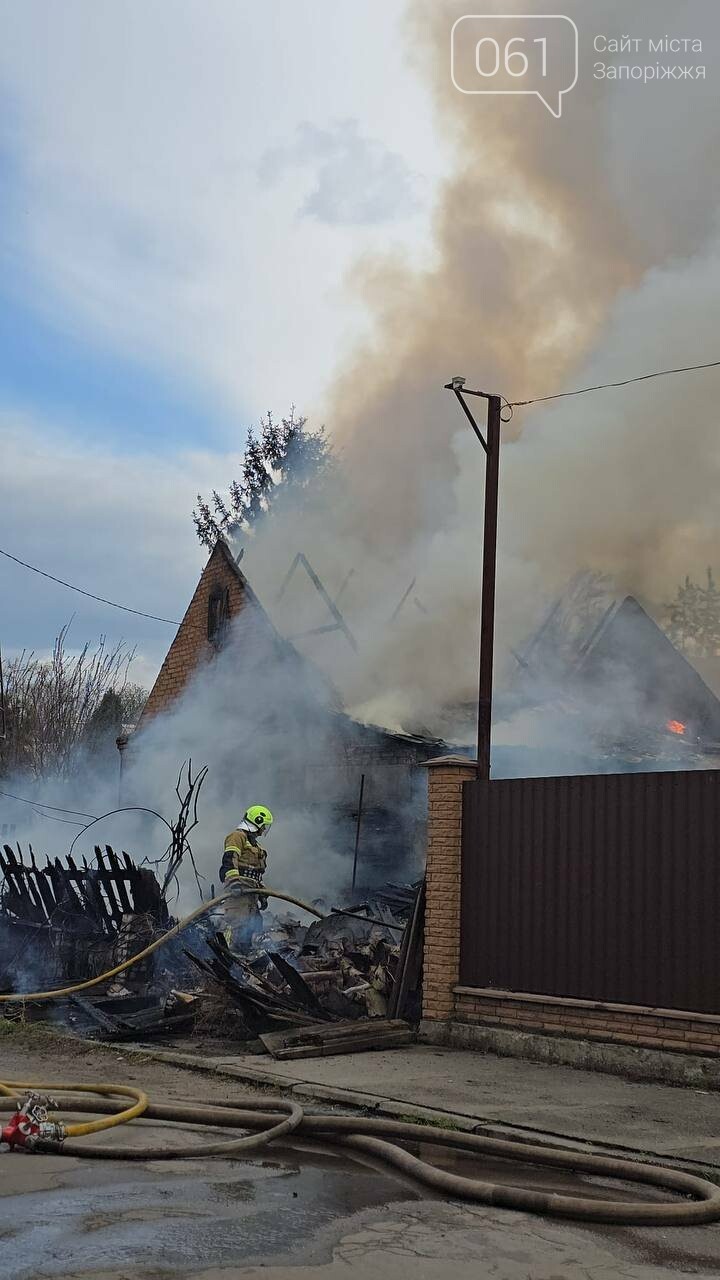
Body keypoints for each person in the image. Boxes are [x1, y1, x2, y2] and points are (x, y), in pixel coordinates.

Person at [217, 806, 273, 950]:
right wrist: (234, 883)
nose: (264, 829)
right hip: (239, 890)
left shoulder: (256, 845)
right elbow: (230, 860)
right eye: (263, 825)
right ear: (257, 821)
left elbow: (256, 873)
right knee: (237, 923)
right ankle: (229, 952)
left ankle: (246, 955)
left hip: (251, 893)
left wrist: (262, 894)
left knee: (254, 925)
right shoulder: (237, 836)